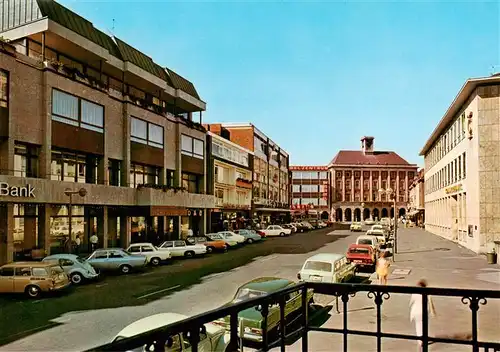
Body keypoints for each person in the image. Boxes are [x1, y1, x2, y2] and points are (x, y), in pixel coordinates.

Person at [410, 279, 436, 351]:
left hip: (415, 311)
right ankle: (423, 340)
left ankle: (420, 341)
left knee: (418, 326)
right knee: (423, 326)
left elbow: (411, 302)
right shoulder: (427, 292)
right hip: (423, 311)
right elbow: (431, 303)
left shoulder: (415, 293)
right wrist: (433, 312)